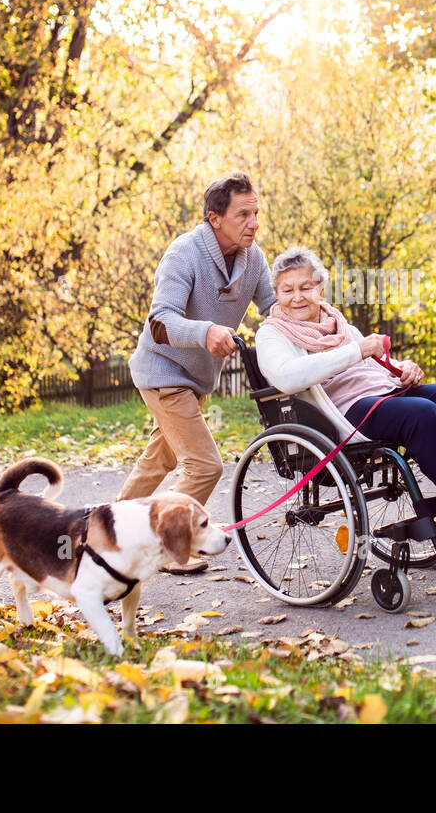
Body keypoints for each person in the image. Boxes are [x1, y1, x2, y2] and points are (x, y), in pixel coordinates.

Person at [254, 246, 436, 558]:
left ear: (320, 288)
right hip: (345, 413)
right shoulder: (273, 335)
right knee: (422, 414)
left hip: (385, 392)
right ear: (276, 293)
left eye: (305, 287)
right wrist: (357, 350)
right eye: (287, 290)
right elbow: (288, 378)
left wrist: (402, 368)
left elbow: (373, 364)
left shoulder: (338, 322)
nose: (297, 297)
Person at [120, 173, 276, 572]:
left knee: (159, 462)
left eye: (256, 212)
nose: (254, 222)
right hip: (163, 372)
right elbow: (159, 322)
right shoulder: (184, 254)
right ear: (214, 218)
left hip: (196, 379)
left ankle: (109, 531)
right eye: (243, 214)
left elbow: (273, 308)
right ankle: (172, 549)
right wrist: (205, 332)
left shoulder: (253, 258)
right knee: (206, 465)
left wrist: (314, 318)